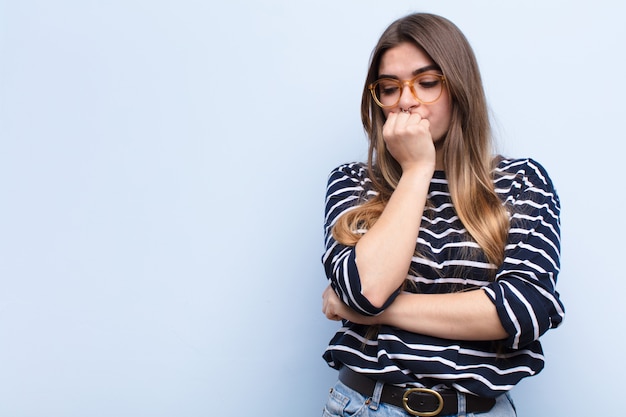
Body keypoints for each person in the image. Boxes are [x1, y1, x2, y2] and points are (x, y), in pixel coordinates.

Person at [320, 12, 564, 417]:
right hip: (365, 405)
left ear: (460, 89)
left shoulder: (521, 182)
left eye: (428, 82)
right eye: (389, 88)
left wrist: (373, 313)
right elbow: (367, 291)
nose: (407, 100)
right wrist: (416, 171)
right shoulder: (353, 183)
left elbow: (523, 309)